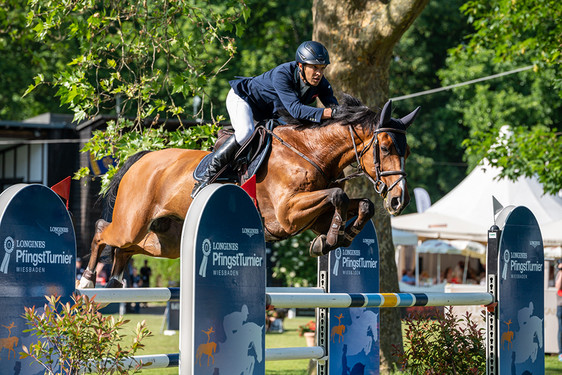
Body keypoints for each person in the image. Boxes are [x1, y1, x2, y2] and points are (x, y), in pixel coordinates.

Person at [191, 41, 339, 197]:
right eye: (314, 67)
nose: (318, 73)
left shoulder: (321, 83)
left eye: (322, 68)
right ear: (301, 66)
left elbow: (335, 109)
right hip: (243, 99)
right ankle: (207, 177)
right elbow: (296, 110)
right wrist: (328, 113)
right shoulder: (283, 74)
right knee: (245, 132)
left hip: (268, 113)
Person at [555, 260, 562, 361]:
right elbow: (558, 286)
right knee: (561, 330)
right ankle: (561, 353)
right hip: (561, 306)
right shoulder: (559, 275)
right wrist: (561, 272)